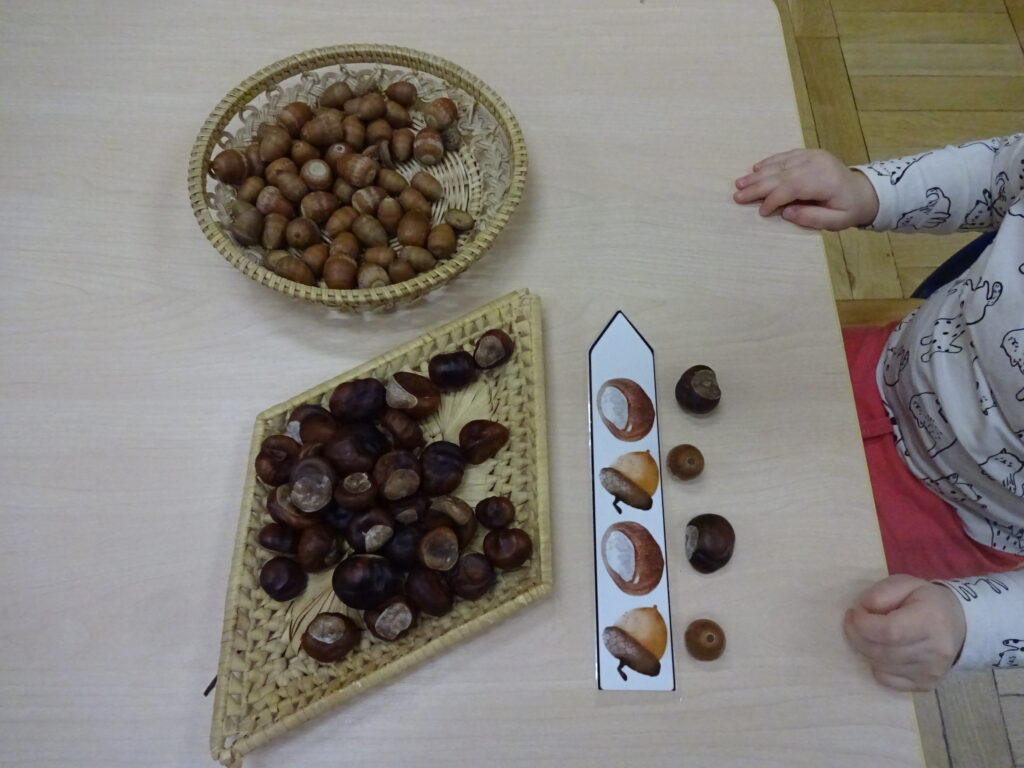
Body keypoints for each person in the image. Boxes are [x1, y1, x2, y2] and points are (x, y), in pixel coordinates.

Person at [733, 135, 1024, 691]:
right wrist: (870, 191)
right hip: (874, 365)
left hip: (952, 523)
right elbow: (1000, 173)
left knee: (760, 628)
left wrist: (970, 624)